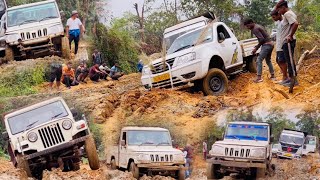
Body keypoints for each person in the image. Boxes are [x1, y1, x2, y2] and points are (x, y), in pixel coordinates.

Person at [244, 19, 276, 83]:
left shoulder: (255, 29)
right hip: (271, 44)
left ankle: (259, 78)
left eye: (248, 26)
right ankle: (272, 75)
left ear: (251, 23)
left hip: (266, 45)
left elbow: (261, 39)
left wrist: (256, 48)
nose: (248, 28)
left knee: (259, 60)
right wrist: (257, 46)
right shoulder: (258, 26)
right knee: (268, 60)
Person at [276, 1, 299, 87]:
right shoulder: (289, 13)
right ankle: (290, 79)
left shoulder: (287, 14)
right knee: (289, 60)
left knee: (289, 61)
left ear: (283, 7)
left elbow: (295, 24)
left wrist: (290, 35)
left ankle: (294, 81)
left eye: (279, 9)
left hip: (288, 42)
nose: (278, 12)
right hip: (286, 42)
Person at [271, 10, 289, 85]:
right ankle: (285, 75)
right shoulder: (278, 22)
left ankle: (285, 77)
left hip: (282, 44)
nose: (273, 19)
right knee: (278, 61)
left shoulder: (284, 21)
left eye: (274, 17)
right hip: (278, 45)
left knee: (281, 61)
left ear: (279, 15)